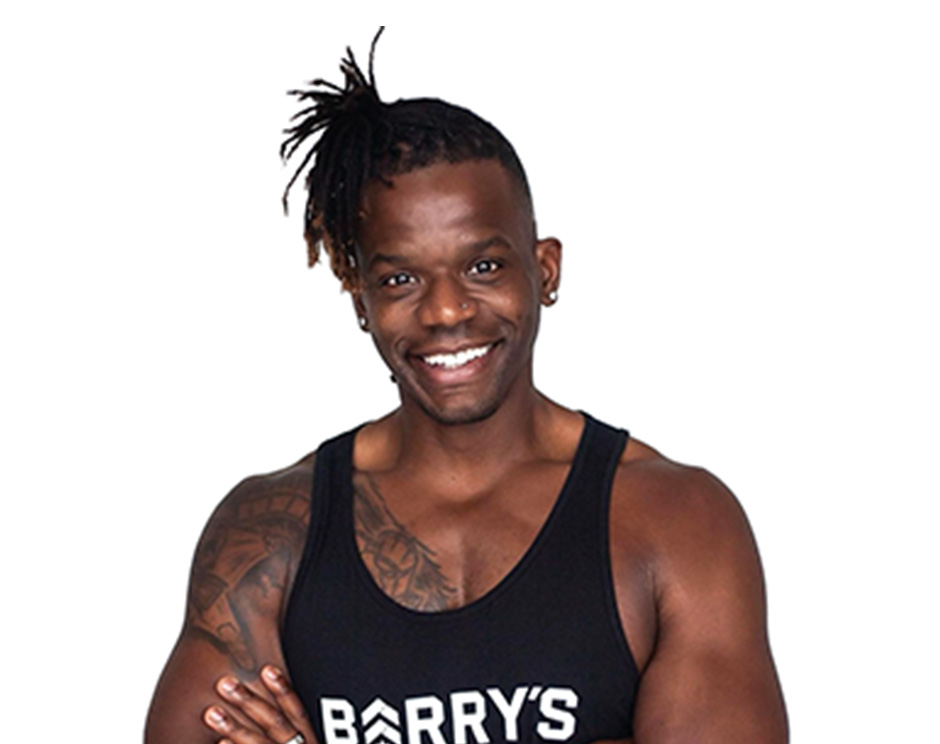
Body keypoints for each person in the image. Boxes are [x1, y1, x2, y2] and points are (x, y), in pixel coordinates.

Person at [145, 29, 787, 744]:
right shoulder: (271, 532)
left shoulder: (677, 519)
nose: (446, 310)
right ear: (360, 299)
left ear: (543, 271)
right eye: (400, 279)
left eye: (483, 267)